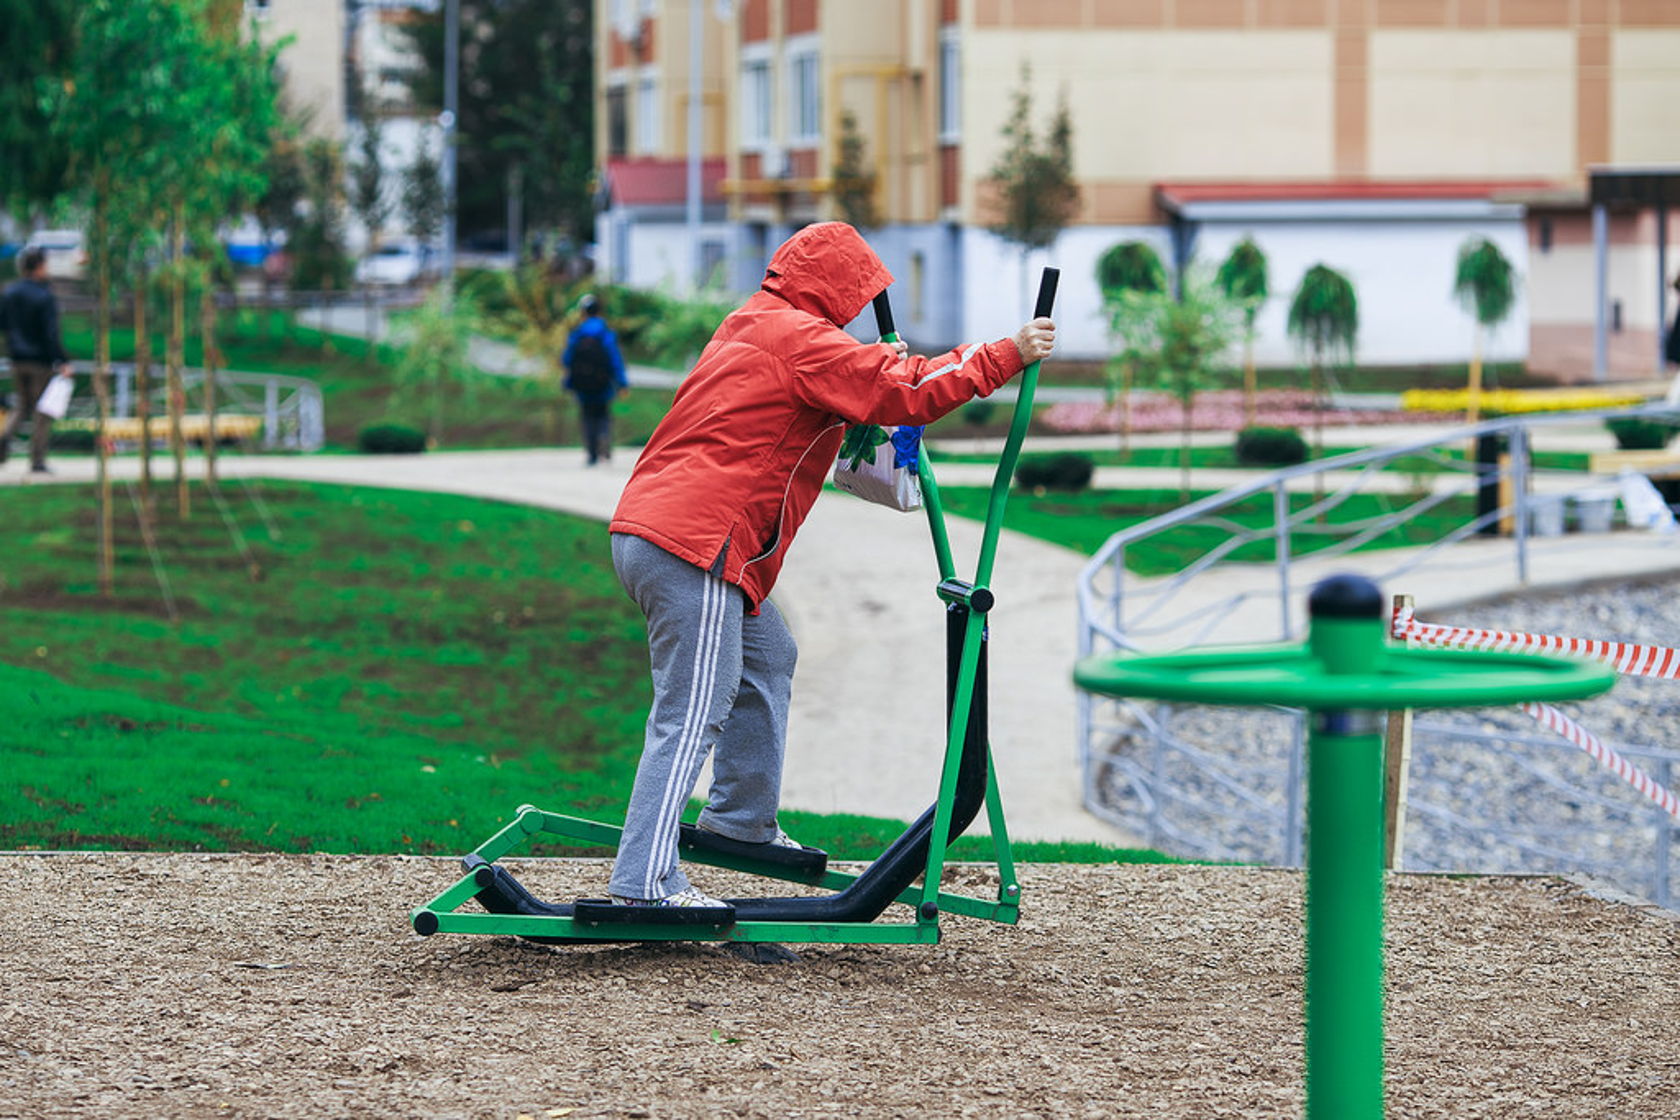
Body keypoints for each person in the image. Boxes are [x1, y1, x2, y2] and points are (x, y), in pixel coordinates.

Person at [604, 221, 1056, 907]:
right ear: (837, 287)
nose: (857, 306)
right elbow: (906, 391)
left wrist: (870, 365)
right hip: (693, 545)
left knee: (770, 654)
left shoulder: (753, 323)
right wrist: (1009, 351)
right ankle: (641, 883)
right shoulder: (805, 341)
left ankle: (740, 818)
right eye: (857, 293)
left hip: (659, 532)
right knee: (694, 708)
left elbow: (845, 384)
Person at [0, 247, 74, 472]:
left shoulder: (9, 292)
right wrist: (61, 360)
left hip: (17, 358)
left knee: (22, 405)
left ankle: (4, 437)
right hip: (40, 360)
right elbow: (50, 333)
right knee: (43, 411)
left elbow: (3, 324)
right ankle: (37, 459)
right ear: (39, 266)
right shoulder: (44, 295)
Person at [561, 294, 628, 465]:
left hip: (582, 384)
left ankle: (591, 452)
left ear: (583, 312)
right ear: (599, 312)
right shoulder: (606, 334)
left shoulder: (577, 334)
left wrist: (568, 381)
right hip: (603, 382)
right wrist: (621, 383)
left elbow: (567, 360)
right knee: (603, 414)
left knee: (587, 415)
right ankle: (604, 438)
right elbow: (615, 359)